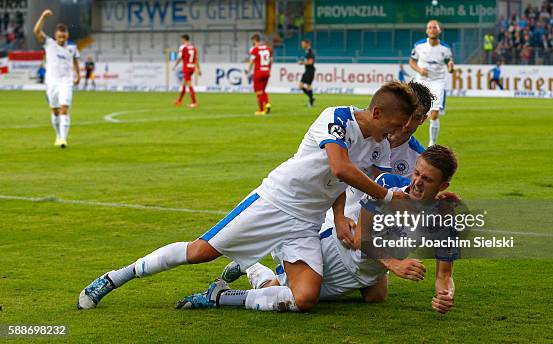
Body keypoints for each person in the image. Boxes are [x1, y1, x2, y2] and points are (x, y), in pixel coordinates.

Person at [77, 81, 428, 313]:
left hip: (306, 222)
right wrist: (385, 196)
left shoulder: (378, 143)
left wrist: (338, 216)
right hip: (275, 202)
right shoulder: (336, 118)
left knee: (304, 299)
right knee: (199, 252)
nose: (397, 135)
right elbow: (339, 168)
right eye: (396, 126)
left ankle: (226, 291)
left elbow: (341, 183)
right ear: (378, 113)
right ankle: (113, 277)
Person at [219, 145, 459, 315]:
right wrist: (395, 264)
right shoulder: (387, 186)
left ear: (443, 185)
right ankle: (240, 280)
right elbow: (362, 239)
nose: (416, 182)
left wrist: (445, 295)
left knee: (376, 297)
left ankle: (252, 268)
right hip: (336, 252)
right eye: (416, 173)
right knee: (287, 294)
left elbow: (444, 276)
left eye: (427, 179)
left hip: (368, 269)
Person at [33, 9, 80, 149]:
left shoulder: (72, 47)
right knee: (55, 111)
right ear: (56, 35)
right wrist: (43, 16)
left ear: (67, 35)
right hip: (51, 83)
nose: (61, 39)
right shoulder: (49, 43)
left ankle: (63, 139)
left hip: (66, 82)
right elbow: (36, 31)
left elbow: (75, 61)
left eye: (64, 37)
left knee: (64, 108)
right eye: (59, 37)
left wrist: (78, 74)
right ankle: (58, 135)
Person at [410, 20, 454, 147]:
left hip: (437, 82)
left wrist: (451, 67)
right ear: (426, 30)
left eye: (435, 27)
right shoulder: (419, 45)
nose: (432, 29)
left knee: (434, 114)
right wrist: (419, 70)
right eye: (429, 27)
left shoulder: (445, 48)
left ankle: (431, 144)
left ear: (439, 30)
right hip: (421, 81)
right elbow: (412, 61)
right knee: (413, 111)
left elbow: (450, 65)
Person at [173, 34, 200, 108]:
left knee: (189, 84)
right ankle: (179, 101)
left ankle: (194, 102)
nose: (182, 41)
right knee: (184, 84)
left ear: (184, 39)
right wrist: (198, 69)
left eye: (182, 39)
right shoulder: (194, 48)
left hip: (186, 68)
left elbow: (180, 57)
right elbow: (196, 59)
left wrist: (175, 65)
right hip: (192, 68)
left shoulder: (183, 47)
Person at [248, 34, 272, 115]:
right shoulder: (268, 48)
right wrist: (269, 69)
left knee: (259, 92)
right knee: (263, 91)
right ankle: (267, 104)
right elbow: (271, 60)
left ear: (255, 40)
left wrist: (248, 72)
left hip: (258, 72)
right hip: (266, 71)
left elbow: (251, 62)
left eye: (252, 41)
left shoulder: (255, 49)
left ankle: (261, 110)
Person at [298, 39, 315, 107]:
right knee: (301, 85)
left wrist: (302, 62)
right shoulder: (307, 51)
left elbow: (311, 62)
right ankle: (311, 98)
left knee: (308, 86)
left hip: (310, 71)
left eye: (303, 43)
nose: (302, 45)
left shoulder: (310, 52)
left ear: (307, 44)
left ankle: (311, 102)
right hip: (307, 71)